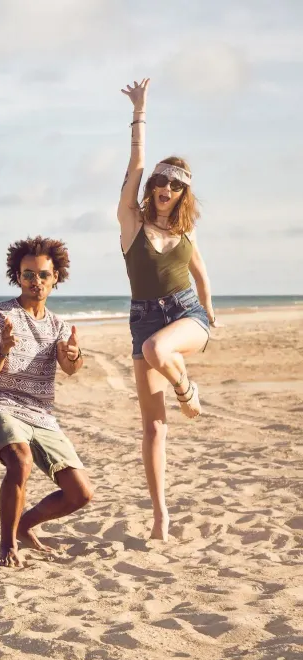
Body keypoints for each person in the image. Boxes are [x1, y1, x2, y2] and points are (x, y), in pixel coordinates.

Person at [119, 79, 217, 541]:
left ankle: (186, 387)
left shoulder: (186, 232)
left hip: (186, 318)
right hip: (144, 317)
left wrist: (210, 310)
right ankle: (161, 516)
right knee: (154, 428)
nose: (168, 188)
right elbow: (136, 164)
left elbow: (199, 274)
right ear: (154, 185)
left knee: (160, 348)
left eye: (177, 185)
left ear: (183, 194)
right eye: (164, 181)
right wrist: (140, 112)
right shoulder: (131, 224)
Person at [0, 237, 94, 568]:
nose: (36, 281)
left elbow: (70, 368)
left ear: (56, 277)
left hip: (40, 413)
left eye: (44, 274)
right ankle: (7, 544)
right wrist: (3, 348)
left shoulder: (57, 325)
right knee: (20, 462)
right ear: (17, 275)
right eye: (28, 274)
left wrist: (74, 354)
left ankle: (25, 525)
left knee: (80, 493)